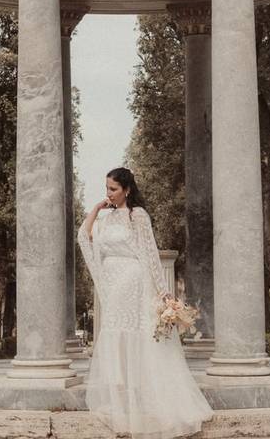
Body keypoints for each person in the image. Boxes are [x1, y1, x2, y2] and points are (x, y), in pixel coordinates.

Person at [77, 167, 213, 439]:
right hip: (113, 284)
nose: (109, 194)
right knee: (116, 334)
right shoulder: (105, 218)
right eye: (106, 189)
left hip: (133, 280)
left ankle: (143, 394)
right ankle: (123, 395)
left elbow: (150, 254)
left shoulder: (137, 215)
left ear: (127, 189)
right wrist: (95, 208)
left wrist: (163, 293)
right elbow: (84, 236)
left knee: (138, 334)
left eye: (114, 189)